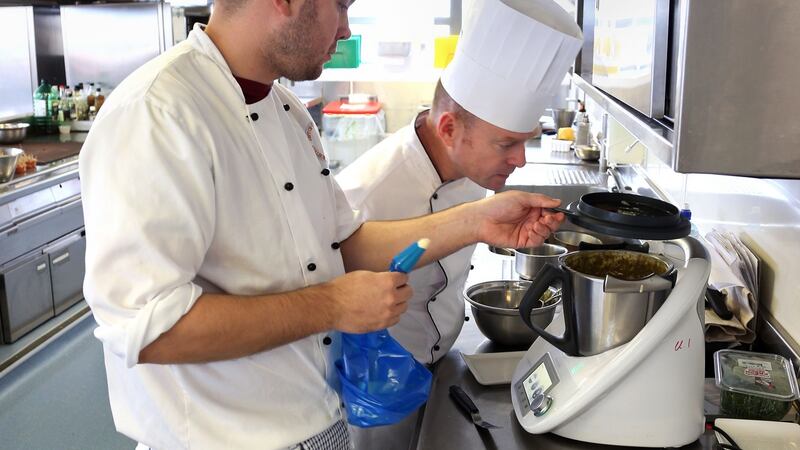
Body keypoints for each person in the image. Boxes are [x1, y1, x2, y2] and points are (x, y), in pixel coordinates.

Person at [79, 0, 566, 449]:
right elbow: (152, 329)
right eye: (341, 4)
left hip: (319, 424)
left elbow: (343, 243)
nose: (347, 27)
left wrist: (479, 219)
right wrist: (333, 304)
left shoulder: (286, 111)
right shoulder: (158, 111)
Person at [337, 0, 583, 365]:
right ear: (449, 128)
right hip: (378, 394)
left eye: (525, 140)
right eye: (506, 144)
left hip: (442, 365)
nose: (520, 159)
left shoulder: (470, 170)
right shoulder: (367, 192)